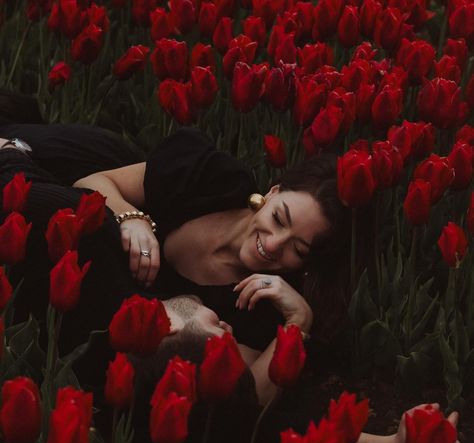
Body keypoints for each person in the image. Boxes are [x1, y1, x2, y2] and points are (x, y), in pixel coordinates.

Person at [0, 111, 351, 404]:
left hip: (96, 275)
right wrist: (131, 216)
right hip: (92, 172)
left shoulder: (259, 307)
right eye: (279, 218)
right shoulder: (214, 179)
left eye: (297, 250)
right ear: (272, 192)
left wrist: (298, 318)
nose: (274, 245)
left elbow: (249, 401)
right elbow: (94, 181)